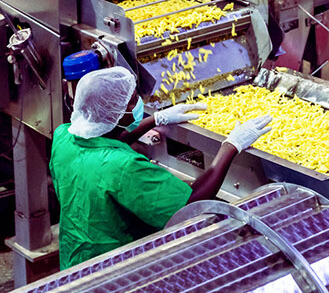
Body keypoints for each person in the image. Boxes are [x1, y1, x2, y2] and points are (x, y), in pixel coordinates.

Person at [49, 66, 272, 270]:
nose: (138, 102)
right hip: (115, 267)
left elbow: (106, 140)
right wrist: (231, 146)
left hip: (76, 259)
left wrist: (157, 119)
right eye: (132, 99)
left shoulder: (63, 137)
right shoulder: (125, 167)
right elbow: (190, 204)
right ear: (115, 113)